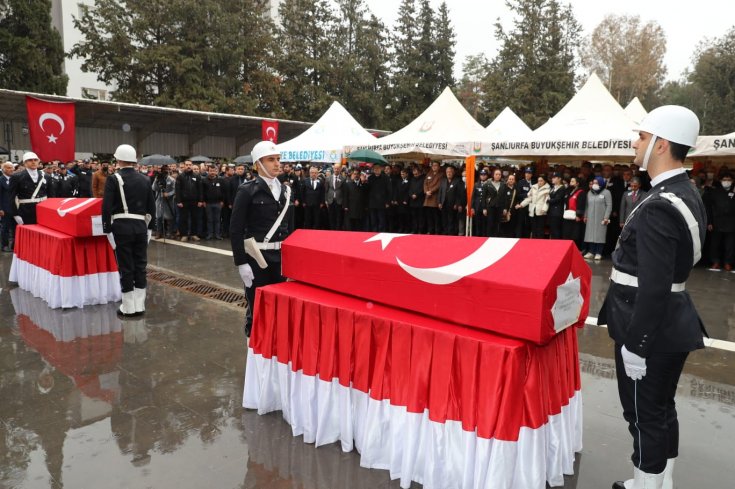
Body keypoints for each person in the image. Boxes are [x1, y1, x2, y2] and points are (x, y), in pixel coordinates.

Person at [598, 106, 707, 489]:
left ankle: (647, 485)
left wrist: (637, 344)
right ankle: (660, 482)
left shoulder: (663, 203)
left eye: (642, 137)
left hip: (649, 329)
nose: (635, 143)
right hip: (667, 324)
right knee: (661, 410)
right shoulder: (679, 192)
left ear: (660, 145)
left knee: (643, 415)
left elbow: (655, 286)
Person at [230, 141, 293, 338]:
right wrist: (241, 262)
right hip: (258, 258)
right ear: (258, 163)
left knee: (281, 306)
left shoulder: (286, 191)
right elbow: (235, 229)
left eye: (278, 159)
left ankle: (275, 348)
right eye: (271, 159)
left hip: (280, 257)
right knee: (256, 307)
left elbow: (289, 228)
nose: (277, 164)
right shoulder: (247, 190)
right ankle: (254, 349)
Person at [102, 144, 156, 319]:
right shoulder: (145, 179)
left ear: (118, 159)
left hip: (121, 227)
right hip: (141, 227)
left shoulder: (113, 179)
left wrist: (106, 229)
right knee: (140, 265)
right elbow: (151, 207)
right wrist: (150, 228)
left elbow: (106, 207)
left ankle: (128, 306)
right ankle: (139, 305)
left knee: (126, 267)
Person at [8, 152, 52, 226]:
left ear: (38, 162)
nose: (33, 162)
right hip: (26, 212)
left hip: (44, 210)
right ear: (25, 163)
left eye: (35, 160)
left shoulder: (46, 176)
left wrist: (52, 210)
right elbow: (11, 197)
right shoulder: (17, 177)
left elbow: (51, 195)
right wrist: (15, 214)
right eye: (30, 160)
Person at [705, 172, 735, 271]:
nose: (727, 182)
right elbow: (709, 208)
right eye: (724, 180)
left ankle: (728, 262)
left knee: (730, 245)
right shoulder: (715, 192)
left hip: (731, 222)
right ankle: (715, 262)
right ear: (721, 181)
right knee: (715, 244)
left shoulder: (734, 191)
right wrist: (709, 222)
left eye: (729, 180)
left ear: (732, 181)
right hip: (716, 222)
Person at [583, 176, 612, 260]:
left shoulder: (606, 192)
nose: (594, 184)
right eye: (594, 183)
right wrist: (585, 215)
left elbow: (609, 205)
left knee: (600, 235)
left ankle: (599, 252)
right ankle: (591, 252)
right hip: (591, 216)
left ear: (601, 183)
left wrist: (606, 217)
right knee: (590, 234)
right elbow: (587, 205)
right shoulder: (589, 192)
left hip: (601, 217)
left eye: (596, 183)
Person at [175, 160, 203, 242]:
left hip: (195, 201)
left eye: (190, 165)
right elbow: (177, 189)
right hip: (183, 202)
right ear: (184, 165)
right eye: (187, 165)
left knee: (195, 218)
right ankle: (184, 234)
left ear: (192, 165)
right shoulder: (180, 176)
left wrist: (200, 200)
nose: (188, 166)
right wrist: (178, 201)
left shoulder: (197, 176)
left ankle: (194, 234)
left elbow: (200, 189)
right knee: (183, 218)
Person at [516, 173, 550, 238]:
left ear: (544, 181)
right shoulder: (534, 187)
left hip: (541, 212)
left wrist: (544, 209)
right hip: (532, 211)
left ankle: (540, 244)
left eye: (541, 181)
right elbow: (529, 198)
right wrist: (521, 205)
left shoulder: (547, 189)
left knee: (540, 229)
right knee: (533, 229)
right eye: (538, 180)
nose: (539, 182)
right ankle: (533, 244)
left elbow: (547, 201)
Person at [438, 164, 464, 236]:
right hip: (444, 203)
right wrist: (439, 202)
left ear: (453, 173)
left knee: (452, 219)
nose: (449, 173)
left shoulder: (457, 181)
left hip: (453, 204)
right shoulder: (443, 180)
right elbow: (440, 192)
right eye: (447, 172)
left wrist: (457, 203)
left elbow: (459, 194)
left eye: (450, 172)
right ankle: (445, 231)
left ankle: (451, 233)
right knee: (444, 219)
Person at [152, 165, 176, 239]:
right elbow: (153, 188)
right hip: (159, 200)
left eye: (166, 170)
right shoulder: (158, 178)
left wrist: (168, 194)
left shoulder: (172, 180)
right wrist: (156, 180)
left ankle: (170, 232)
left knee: (169, 217)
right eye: (163, 170)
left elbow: (175, 190)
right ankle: (159, 232)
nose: (165, 171)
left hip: (168, 201)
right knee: (158, 217)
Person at [202, 165, 226, 240]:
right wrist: (203, 201)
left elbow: (223, 191)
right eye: (211, 171)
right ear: (208, 171)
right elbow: (202, 192)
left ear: (217, 171)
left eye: (214, 171)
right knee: (209, 220)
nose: (212, 172)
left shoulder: (221, 180)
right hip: (208, 203)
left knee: (217, 220)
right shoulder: (204, 180)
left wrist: (222, 201)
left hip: (218, 203)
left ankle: (217, 235)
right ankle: (210, 234)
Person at [562, 177, 586, 249]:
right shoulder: (569, 191)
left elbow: (581, 204)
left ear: (577, 183)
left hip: (576, 216)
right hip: (568, 215)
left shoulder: (581, 192)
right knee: (567, 233)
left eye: (573, 181)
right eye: (570, 181)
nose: (570, 183)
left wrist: (578, 215)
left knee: (575, 234)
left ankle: (575, 249)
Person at [367, 162, 391, 232]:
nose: (376, 169)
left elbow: (389, 190)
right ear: (373, 169)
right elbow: (368, 190)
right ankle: (374, 232)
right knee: (373, 220)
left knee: (382, 219)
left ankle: (381, 232)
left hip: (382, 202)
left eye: (378, 168)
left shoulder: (386, 178)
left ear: (381, 169)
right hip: (372, 202)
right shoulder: (370, 178)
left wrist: (387, 202)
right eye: (375, 168)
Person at [483, 169, 507, 237]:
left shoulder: (503, 184)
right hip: (490, 207)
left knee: (498, 223)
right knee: (490, 223)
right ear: (493, 175)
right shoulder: (487, 184)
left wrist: (505, 208)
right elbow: (484, 197)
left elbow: (504, 197)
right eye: (496, 174)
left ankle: (496, 237)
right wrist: (484, 208)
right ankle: (489, 237)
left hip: (499, 207)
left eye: (499, 174)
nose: (498, 176)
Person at [324, 163, 345, 230]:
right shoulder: (328, 178)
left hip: (339, 201)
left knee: (339, 217)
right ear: (333, 169)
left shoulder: (343, 178)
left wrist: (343, 202)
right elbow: (326, 190)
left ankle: (338, 230)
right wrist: (326, 200)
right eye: (335, 168)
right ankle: (332, 230)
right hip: (330, 200)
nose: (336, 170)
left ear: (340, 169)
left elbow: (344, 191)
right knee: (331, 217)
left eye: (338, 168)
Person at [0, 162, 15, 252]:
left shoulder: (15, 179)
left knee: (15, 227)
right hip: (5, 208)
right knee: (5, 228)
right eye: (9, 168)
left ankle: (14, 245)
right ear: (4, 169)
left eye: (12, 168)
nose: (11, 169)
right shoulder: (1, 180)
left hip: (15, 208)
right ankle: (4, 245)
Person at [547, 173, 566, 239]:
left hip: (557, 212)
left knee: (556, 230)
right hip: (551, 211)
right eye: (552, 177)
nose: (552, 179)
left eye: (554, 178)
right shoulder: (553, 188)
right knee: (552, 230)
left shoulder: (562, 188)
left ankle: (558, 245)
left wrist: (548, 200)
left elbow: (558, 199)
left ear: (559, 179)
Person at [408, 166, 425, 234]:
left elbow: (423, 189)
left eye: (416, 174)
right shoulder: (412, 179)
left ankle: (420, 230)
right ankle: (414, 229)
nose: (415, 175)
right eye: (414, 174)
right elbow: (409, 189)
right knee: (414, 217)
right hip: (412, 201)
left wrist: (417, 195)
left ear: (420, 173)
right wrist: (411, 194)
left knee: (421, 217)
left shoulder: (423, 179)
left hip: (420, 200)